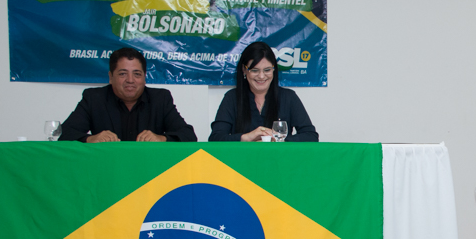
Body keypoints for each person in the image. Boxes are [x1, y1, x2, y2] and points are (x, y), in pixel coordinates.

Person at [60, 47, 197, 142]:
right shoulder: (94, 98)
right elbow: (64, 134)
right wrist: (90, 139)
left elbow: (188, 135)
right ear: (111, 77)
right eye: (122, 74)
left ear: (144, 77)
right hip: (107, 168)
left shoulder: (160, 99)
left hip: (149, 169)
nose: (130, 80)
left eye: (137, 74)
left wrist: (162, 139)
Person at [209, 41, 318, 142]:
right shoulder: (232, 97)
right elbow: (216, 138)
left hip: (279, 156)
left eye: (267, 70)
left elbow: (311, 136)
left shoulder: (288, 97)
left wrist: (279, 139)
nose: (261, 76)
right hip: (242, 157)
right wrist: (246, 137)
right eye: (255, 70)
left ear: (274, 69)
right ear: (244, 70)